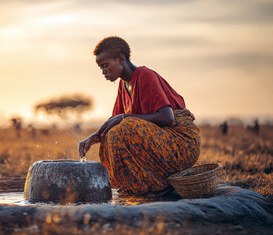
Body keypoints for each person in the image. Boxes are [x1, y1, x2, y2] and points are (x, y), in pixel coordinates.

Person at [78, 36, 200, 197]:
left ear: (120, 59)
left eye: (105, 66)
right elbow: (114, 122)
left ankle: (160, 186)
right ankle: (139, 186)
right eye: (101, 68)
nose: (103, 72)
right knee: (112, 135)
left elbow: (167, 118)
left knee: (125, 127)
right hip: (162, 142)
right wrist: (92, 138)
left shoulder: (144, 75)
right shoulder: (123, 85)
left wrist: (124, 118)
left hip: (181, 143)